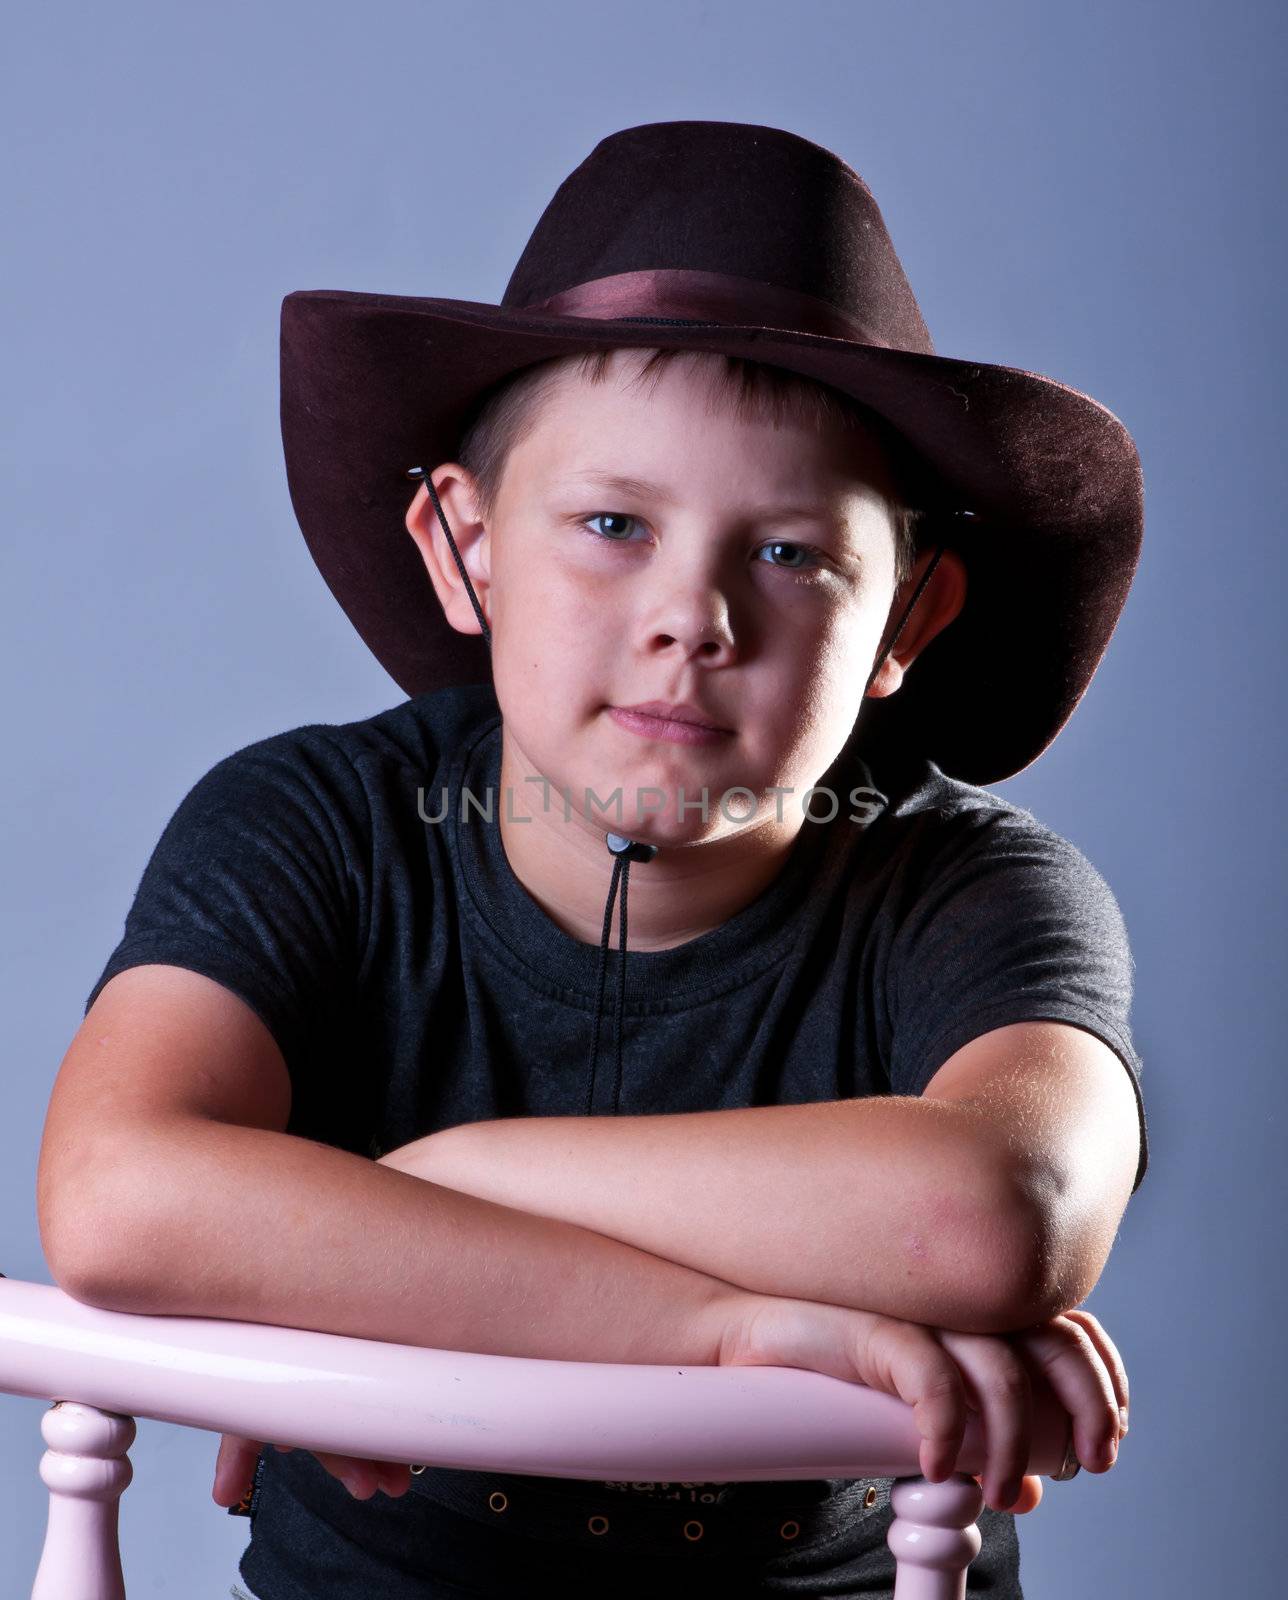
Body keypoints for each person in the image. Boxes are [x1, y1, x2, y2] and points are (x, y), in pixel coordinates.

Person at [40, 120, 1146, 1599]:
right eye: (613, 524)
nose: (694, 619)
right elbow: (118, 1199)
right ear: (467, 548)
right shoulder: (316, 826)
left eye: (790, 555)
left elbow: (993, 1211)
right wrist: (721, 1326)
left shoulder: (969, 888)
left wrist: (416, 1188)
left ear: (908, 623)